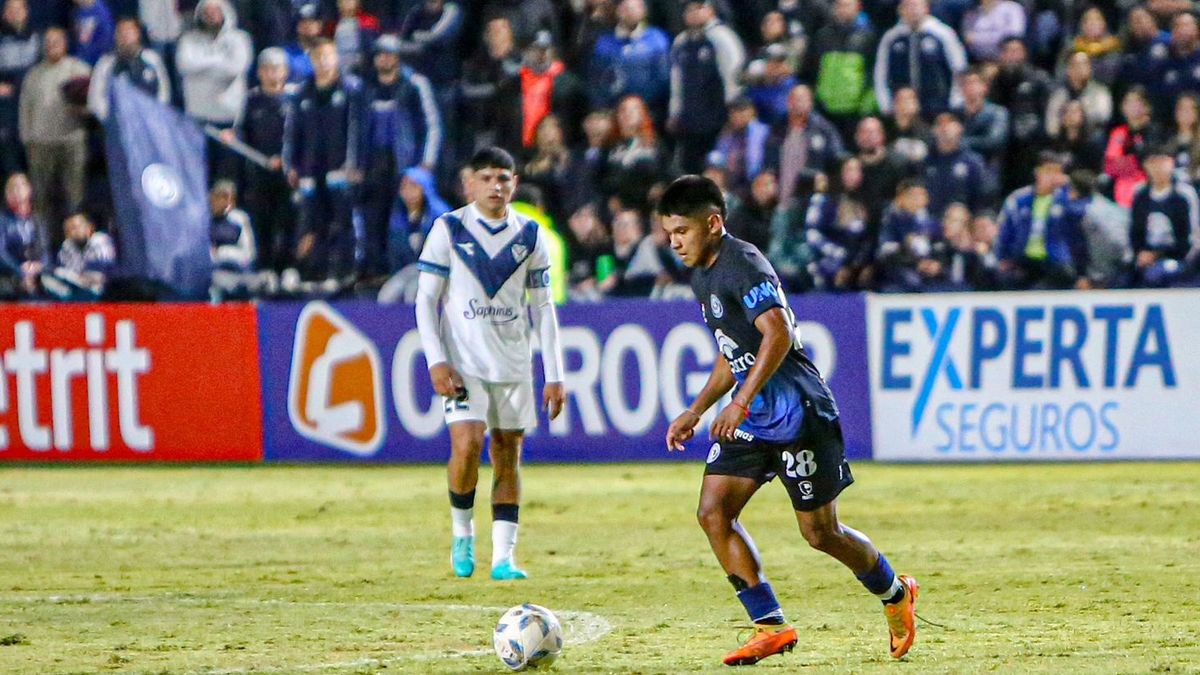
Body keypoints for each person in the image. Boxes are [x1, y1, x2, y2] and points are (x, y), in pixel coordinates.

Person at [660, 175, 918, 667]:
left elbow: (776, 332)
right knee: (713, 512)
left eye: (682, 231)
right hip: (754, 418)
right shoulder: (702, 274)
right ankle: (770, 625)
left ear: (712, 223)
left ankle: (895, 592)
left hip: (799, 413)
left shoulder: (743, 262)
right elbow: (733, 351)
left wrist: (739, 402)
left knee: (821, 533)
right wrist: (697, 409)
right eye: (668, 233)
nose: (674, 242)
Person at [414, 147, 566, 581]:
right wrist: (436, 360)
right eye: (486, 178)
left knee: (507, 453)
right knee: (466, 445)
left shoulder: (531, 235)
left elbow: (544, 308)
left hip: (513, 361)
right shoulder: (448, 229)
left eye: (503, 178)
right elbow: (425, 300)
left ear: (514, 183)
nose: (495, 186)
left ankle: (503, 557)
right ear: (470, 184)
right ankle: (462, 534)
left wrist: (554, 374)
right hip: (464, 362)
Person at [359, 34, 441, 277]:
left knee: (405, 218)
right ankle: (377, 271)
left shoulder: (415, 84)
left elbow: (432, 124)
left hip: (407, 164)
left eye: (390, 54)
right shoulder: (368, 87)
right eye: (380, 54)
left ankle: (409, 268)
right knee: (375, 216)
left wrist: (426, 162)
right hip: (375, 163)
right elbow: (358, 126)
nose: (385, 59)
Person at [283, 38, 363, 282]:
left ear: (336, 58)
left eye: (328, 56)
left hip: (339, 169)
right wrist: (290, 165)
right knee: (311, 222)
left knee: (342, 220)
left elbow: (356, 129)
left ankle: (344, 272)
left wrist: (353, 163)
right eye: (318, 57)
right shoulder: (302, 92)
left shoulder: (350, 90)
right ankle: (314, 274)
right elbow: (292, 132)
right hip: (310, 169)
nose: (323, 61)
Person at [18, 27, 89, 248]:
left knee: (74, 198)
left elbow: (92, 105)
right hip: (40, 143)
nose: (52, 45)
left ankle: (76, 248)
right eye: (48, 42)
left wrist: (79, 106)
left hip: (72, 141)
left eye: (57, 41)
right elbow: (24, 108)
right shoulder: (33, 75)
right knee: (40, 200)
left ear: (65, 43)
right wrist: (27, 138)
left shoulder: (78, 69)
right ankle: (43, 248)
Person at [176, 0, 252, 180]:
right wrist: (219, 61)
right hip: (198, 118)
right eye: (207, 12)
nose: (211, 16)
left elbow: (235, 68)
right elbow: (184, 65)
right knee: (199, 175)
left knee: (227, 178)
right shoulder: (188, 40)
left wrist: (202, 67)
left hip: (229, 119)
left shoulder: (239, 39)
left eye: (215, 11)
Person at [668, 0, 745, 173]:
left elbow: (734, 75)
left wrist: (732, 110)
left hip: (718, 118)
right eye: (690, 10)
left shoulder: (722, 37)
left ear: (710, 10)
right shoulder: (681, 41)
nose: (694, 13)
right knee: (689, 170)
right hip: (690, 120)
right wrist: (675, 112)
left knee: (715, 168)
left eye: (699, 8)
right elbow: (676, 80)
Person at [995, 152, 1086, 289]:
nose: (1052, 176)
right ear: (1037, 172)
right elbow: (1005, 229)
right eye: (1048, 171)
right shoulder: (1019, 199)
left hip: (1055, 261)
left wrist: (1067, 187)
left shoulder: (1065, 199)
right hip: (1023, 260)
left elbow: (1079, 223)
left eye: (1057, 172)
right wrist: (1002, 256)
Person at [238, 47, 293, 272]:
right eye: (266, 69)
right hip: (259, 173)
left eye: (276, 68)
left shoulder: (294, 99)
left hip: (287, 174)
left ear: (285, 71)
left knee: (288, 221)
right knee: (261, 222)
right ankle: (264, 269)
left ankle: (287, 268)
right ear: (259, 72)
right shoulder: (251, 100)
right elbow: (243, 134)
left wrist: (286, 160)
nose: (271, 74)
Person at [874, 0, 966, 117]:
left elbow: (959, 68)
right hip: (902, 110)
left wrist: (956, 100)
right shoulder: (892, 38)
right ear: (901, 10)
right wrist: (885, 103)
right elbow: (881, 73)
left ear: (926, 7)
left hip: (938, 106)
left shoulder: (943, 34)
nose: (913, 10)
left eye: (916, 5)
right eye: (908, 5)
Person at [1129, 147, 1200, 287]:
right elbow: (1135, 231)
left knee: (1159, 274)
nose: (1158, 167)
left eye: (1162, 161)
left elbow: (1190, 236)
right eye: (1153, 162)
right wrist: (1140, 253)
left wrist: (1158, 255)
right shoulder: (1140, 195)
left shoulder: (1184, 195)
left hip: (1179, 257)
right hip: (1145, 256)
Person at [588, 0, 670, 117]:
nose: (631, 12)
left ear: (644, 11)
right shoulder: (604, 43)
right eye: (626, 8)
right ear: (618, 10)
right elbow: (597, 80)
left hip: (652, 111)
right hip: (614, 112)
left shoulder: (657, 38)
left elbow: (663, 78)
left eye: (636, 7)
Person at [88, 16, 170, 120]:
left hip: (149, 120)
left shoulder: (151, 59)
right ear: (115, 36)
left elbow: (164, 91)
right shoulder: (105, 63)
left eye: (129, 31)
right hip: (117, 121)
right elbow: (95, 97)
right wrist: (109, 117)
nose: (125, 35)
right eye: (121, 32)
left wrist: (155, 114)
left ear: (137, 34)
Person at [0, 0, 40, 178]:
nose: (15, 13)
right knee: (10, 154)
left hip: (33, 103)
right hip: (7, 108)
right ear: (4, 14)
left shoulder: (37, 37)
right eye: (11, 9)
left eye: (19, 9)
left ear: (26, 12)